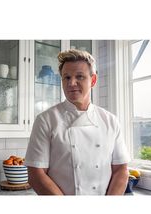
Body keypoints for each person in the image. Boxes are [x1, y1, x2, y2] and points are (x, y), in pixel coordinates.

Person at [24, 49, 130, 195]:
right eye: (66, 77)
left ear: (93, 80)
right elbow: (36, 175)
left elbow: (121, 170)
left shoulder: (110, 121)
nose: (71, 83)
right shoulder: (46, 120)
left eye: (79, 76)